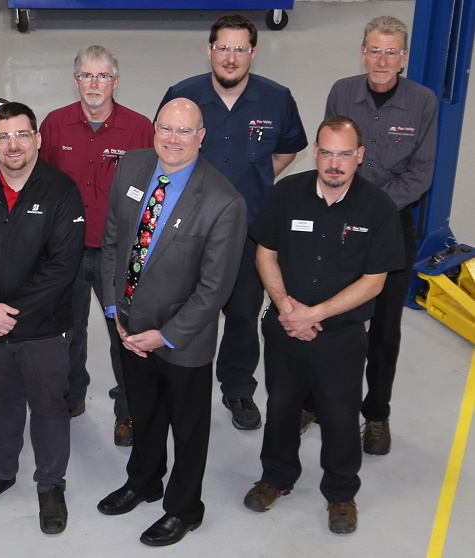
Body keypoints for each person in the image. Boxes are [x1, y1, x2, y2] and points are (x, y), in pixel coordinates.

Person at [243, 116, 404, 534]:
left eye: (344, 155)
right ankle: (276, 478)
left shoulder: (378, 209)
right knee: (280, 407)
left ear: (360, 156)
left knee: (339, 416)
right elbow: (266, 253)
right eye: (327, 153)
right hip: (284, 326)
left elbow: (375, 282)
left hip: (341, 337)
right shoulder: (287, 194)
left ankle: (340, 494)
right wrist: (285, 308)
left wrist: (314, 315)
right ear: (315, 152)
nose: (334, 164)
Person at [97, 99, 245, 547]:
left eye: (185, 132)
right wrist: (113, 313)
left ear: (202, 137)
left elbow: (214, 289)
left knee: (188, 426)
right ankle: (144, 480)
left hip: (183, 341)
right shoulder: (132, 168)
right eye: (166, 128)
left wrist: (165, 335)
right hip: (130, 328)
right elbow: (111, 244)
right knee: (143, 411)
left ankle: (184, 508)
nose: (173, 139)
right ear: (154, 129)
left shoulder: (223, 201)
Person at [159, 14, 307, 431]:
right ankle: (179, 381)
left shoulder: (277, 100)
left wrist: (251, 186)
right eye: (223, 47)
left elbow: (285, 152)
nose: (230, 57)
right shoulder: (182, 97)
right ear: (209, 50)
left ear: (253, 54)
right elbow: (164, 152)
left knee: (243, 314)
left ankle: (238, 388)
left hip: (248, 232)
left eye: (240, 49)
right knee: (185, 309)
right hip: (188, 231)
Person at [0, 102, 85, 534]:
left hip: (43, 330)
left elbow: (62, 267)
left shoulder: (61, 191)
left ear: (37, 139)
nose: (14, 145)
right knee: (2, 399)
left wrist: (11, 313)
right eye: (4, 136)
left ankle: (50, 485)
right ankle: (0, 472)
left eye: (22, 134)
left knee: (48, 407)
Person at [322, 15, 439, 455]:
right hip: (340, 224)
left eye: (391, 51)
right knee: (332, 317)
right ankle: (317, 402)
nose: (382, 59)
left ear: (404, 58)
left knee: (385, 329)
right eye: (374, 49)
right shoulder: (342, 92)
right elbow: (332, 159)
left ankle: (376, 415)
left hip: (391, 227)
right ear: (362, 52)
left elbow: (421, 173)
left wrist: (370, 209)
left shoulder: (422, 102)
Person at [39, 45, 153, 439]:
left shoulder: (140, 129)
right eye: (86, 76)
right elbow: (43, 186)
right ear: (75, 81)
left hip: (117, 255)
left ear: (116, 82)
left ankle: (128, 411)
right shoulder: (53, 125)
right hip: (67, 252)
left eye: (102, 76)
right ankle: (71, 396)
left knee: (123, 332)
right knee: (66, 330)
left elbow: (154, 190)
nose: (94, 84)